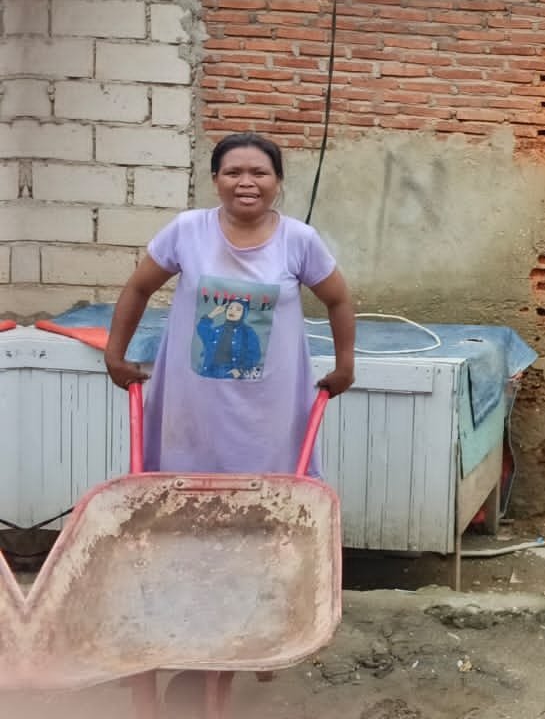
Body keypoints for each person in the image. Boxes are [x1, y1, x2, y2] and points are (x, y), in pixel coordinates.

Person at [104, 133, 356, 474]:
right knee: (184, 489)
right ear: (215, 180)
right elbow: (138, 288)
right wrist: (114, 355)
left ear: (278, 181)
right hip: (193, 403)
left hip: (269, 406)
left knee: (268, 491)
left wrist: (345, 366)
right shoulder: (187, 230)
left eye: (259, 173)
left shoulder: (298, 240)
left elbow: (338, 300)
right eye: (233, 172)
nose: (246, 182)